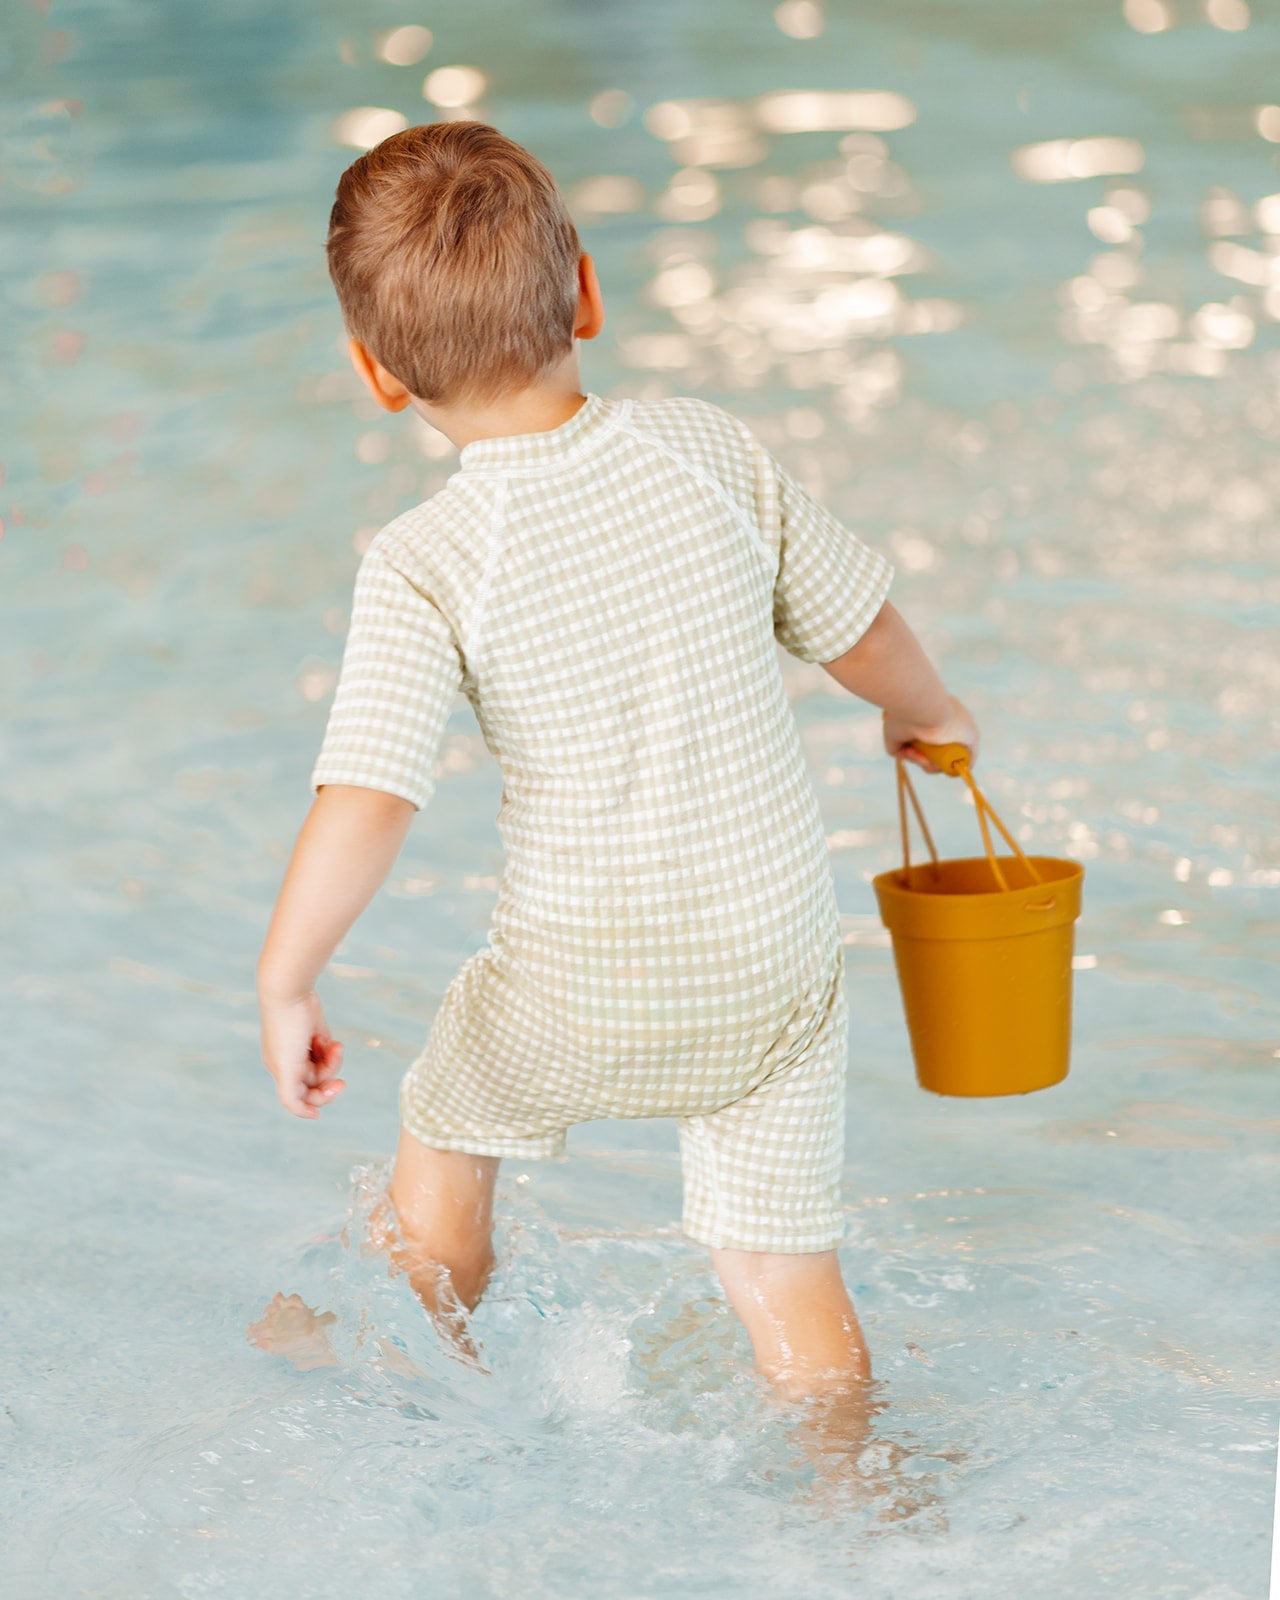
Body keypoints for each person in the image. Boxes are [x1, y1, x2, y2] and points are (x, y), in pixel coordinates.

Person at [253, 120, 978, 1402]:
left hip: (571, 984)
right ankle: (858, 1501)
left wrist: (287, 974)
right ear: (587, 290)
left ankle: (410, 1365)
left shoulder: (424, 560)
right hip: (770, 976)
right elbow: (857, 629)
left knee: (445, 1145)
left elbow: (369, 793)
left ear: (373, 373)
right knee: (777, 1271)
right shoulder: (705, 452)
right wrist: (926, 717)